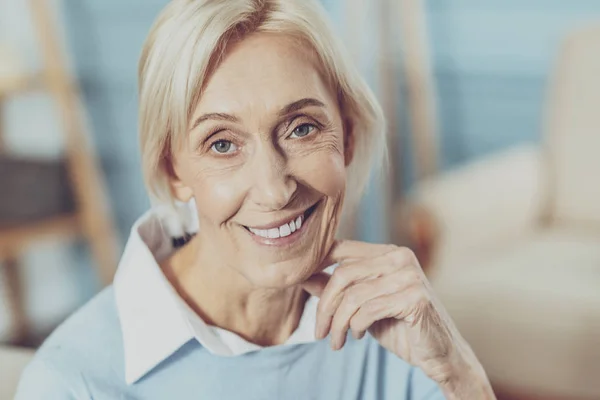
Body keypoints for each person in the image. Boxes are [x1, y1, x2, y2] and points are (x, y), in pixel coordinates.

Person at [15, 0, 496, 398]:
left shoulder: (394, 332)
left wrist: (459, 373)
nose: (274, 188)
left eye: (302, 128)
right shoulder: (72, 383)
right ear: (172, 169)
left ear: (346, 137)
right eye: (222, 144)